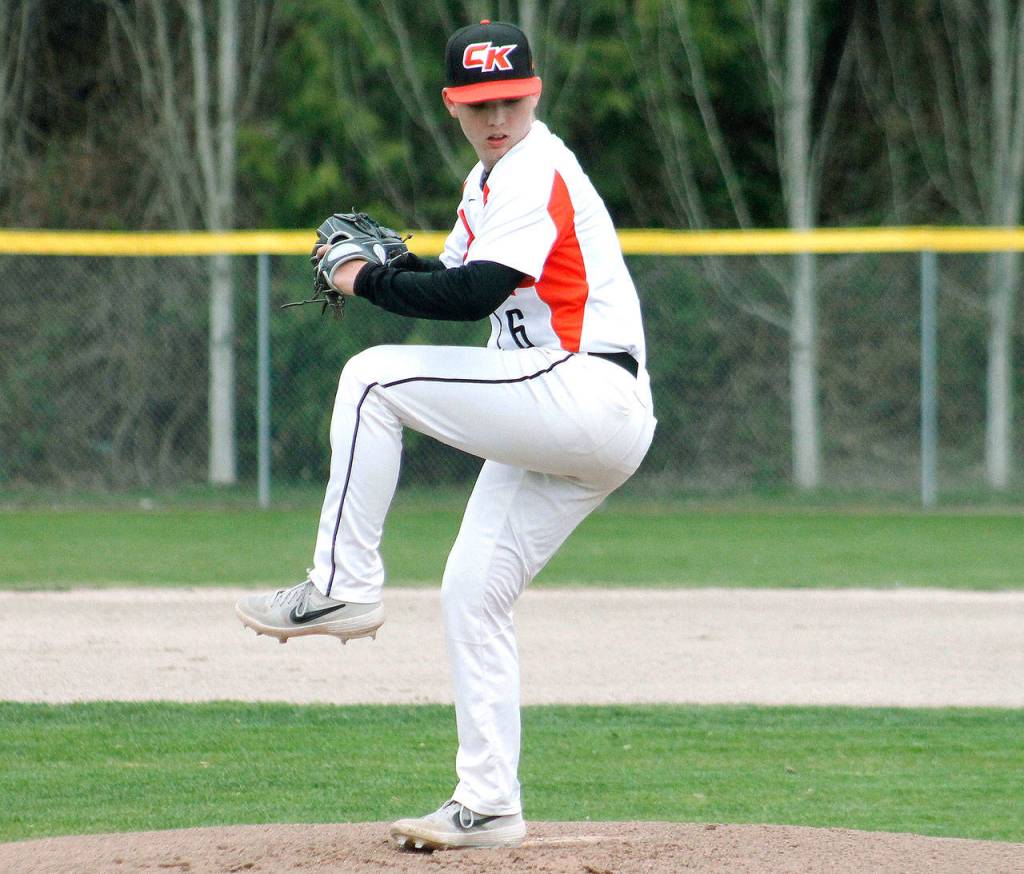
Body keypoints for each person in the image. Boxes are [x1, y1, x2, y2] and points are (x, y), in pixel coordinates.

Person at [236, 19, 656, 851]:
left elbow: (472, 299)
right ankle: (490, 804)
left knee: (372, 378)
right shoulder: (487, 181)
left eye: (510, 99)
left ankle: (340, 585)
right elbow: (449, 275)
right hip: (571, 412)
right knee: (472, 593)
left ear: (533, 94)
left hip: (581, 386)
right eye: (479, 104)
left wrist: (363, 277)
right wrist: (390, 273)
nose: (497, 116)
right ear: (453, 107)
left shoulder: (537, 170)